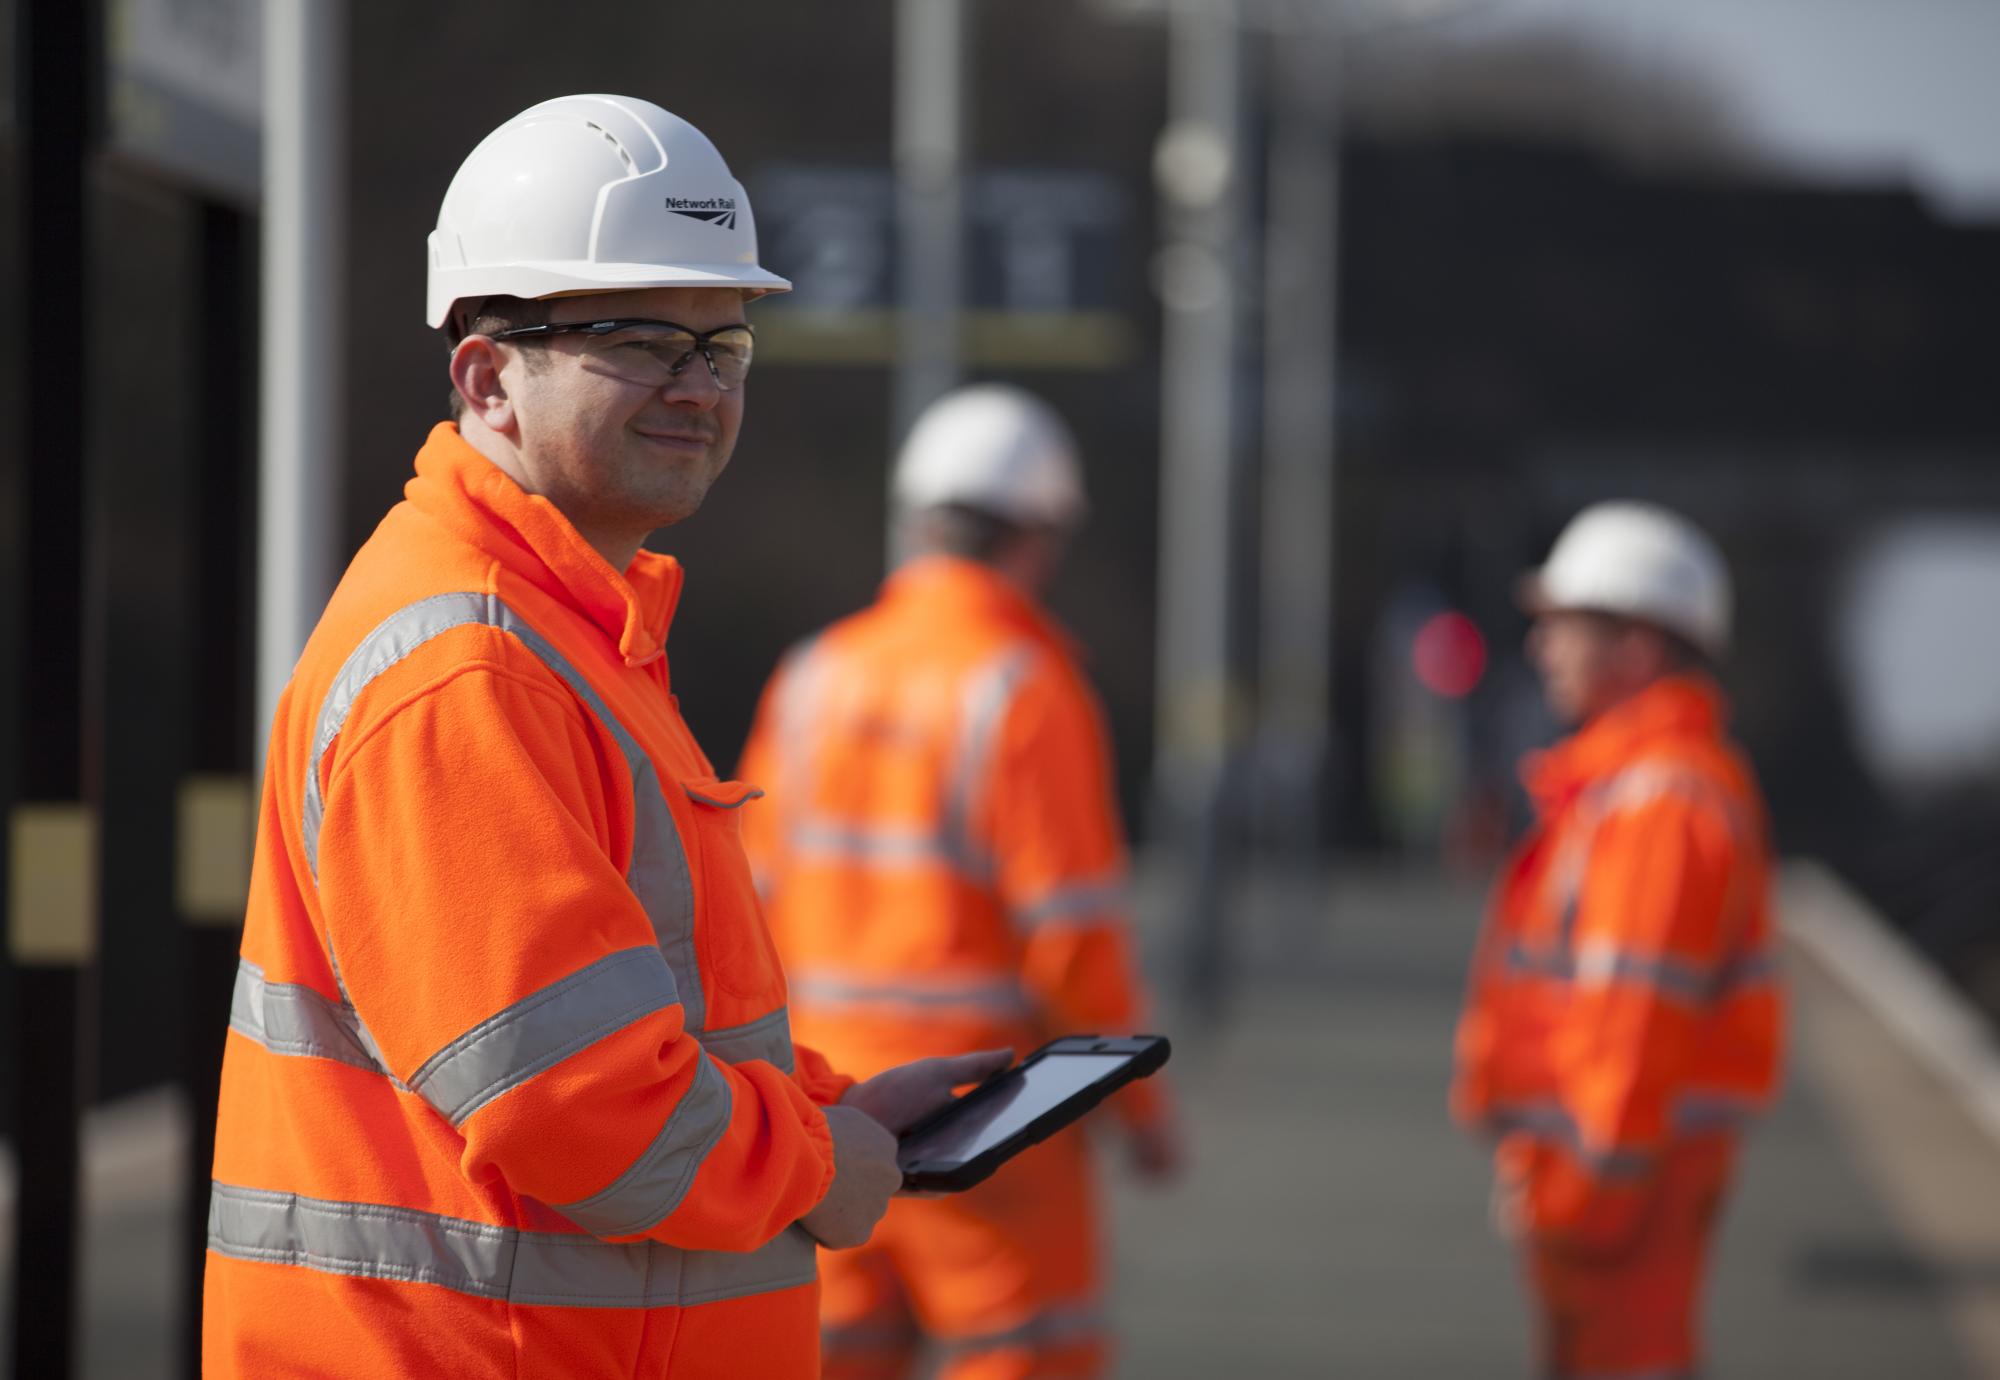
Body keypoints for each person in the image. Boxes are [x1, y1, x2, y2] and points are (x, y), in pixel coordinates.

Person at [202, 94, 1007, 1379]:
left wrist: (826, 1109)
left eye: (721, 346)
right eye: (637, 340)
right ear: (486, 376)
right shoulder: (466, 665)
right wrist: (817, 1164)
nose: (697, 388)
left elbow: (633, 1021)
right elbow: (576, 1109)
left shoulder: (564, 633)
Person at [737, 385, 1183, 1380]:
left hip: (825, 1110)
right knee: (1020, 1355)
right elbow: (1071, 936)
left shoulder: (812, 674)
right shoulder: (1024, 687)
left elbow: (741, 903)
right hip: (987, 1117)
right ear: (1040, 535)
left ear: (915, 520)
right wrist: (1138, 1112)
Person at [1452, 501, 1786, 1380]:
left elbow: (1633, 1019)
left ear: (1634, 649)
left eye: (1564, 626)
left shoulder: (1659, 804)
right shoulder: (1634, 791)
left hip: (1621, 1192)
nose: (1541, 649)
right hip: (1615, 1180)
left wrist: (1587, 1192)